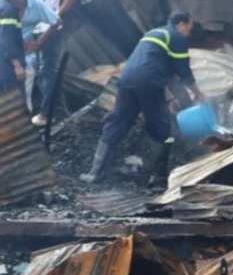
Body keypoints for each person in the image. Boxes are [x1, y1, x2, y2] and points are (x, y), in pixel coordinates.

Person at [82, 11, 204, 187]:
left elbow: (156, 67)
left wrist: (170, 96)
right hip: (148, 82)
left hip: (127, 80)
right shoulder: (177, 37)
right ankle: (158, 179)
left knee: (118, 121)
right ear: (181, 24)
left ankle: (93, 173)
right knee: (161, 129)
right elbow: (183, 72)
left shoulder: (153, 33)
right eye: (189, 28)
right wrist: (199, 94)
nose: (189, 34)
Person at [26, 0, 80, 126]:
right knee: (37, 69)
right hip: (34, 27)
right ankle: (42, 107)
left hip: (50, 29)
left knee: (47, 71)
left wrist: (57, 14)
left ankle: (46, 113)